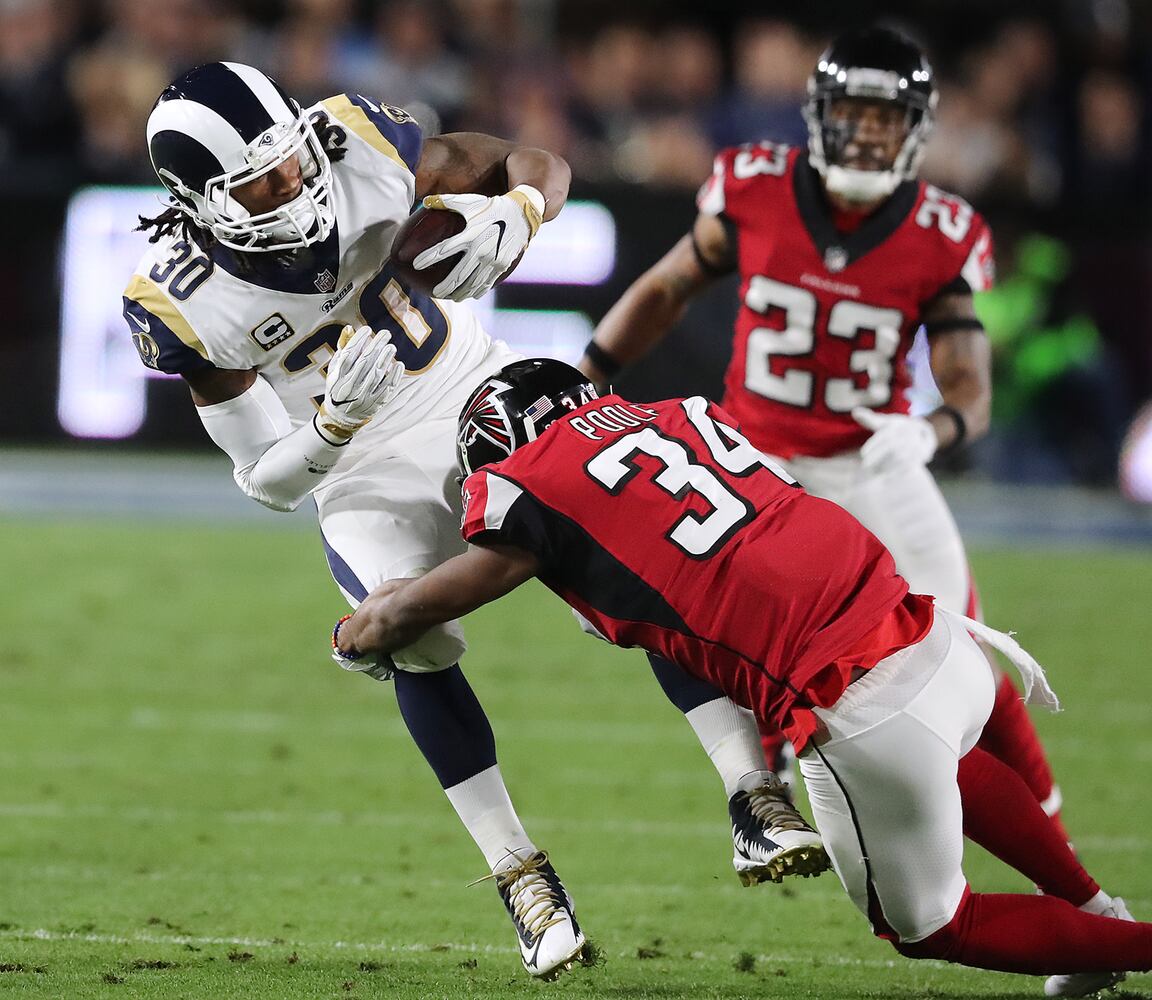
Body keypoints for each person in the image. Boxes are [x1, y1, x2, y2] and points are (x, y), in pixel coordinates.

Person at [123, 62, 821, 981]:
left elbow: (538, 161)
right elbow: (267, 481)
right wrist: (330, 428)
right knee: (408, 633)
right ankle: (520, 874)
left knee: (631, 540)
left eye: (291, 158)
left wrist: (520, 212)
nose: (293, 183)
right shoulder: (181, 298)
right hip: (359, 468)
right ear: (199, 201)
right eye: (261, 182)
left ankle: (753, 794)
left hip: (476, 389)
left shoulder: (352, 142)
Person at [333, 358, 1151, 997]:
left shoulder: (526, 483)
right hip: (933, 634)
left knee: (932, 924)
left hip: (860, 705)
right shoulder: (681, 414)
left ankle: (1134, 943)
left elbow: (412, 612)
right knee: (955, 761)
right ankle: (1094, 912)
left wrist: (351, 633)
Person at [579, 24, 1070, 842]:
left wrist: (930, 432)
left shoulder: (940, 228)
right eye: (855, 112)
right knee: (731, 638)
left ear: (915, 128)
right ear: (820, 114)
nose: (869, 133)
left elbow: (969, 385)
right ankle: (762, 805)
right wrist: (588, 374)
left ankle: (1052, 834)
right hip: (756, 464)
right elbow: (665, 289)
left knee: (967, 653)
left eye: (887, 117)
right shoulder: (756, 186)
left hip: (869, 461)